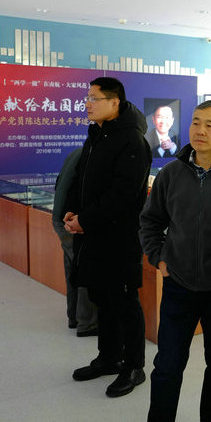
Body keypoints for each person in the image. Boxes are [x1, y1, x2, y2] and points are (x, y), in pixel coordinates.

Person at [140, 100, 211, 421]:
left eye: (209, 125)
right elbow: (150, 221)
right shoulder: (171, 174)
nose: (200, 130)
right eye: (195, 122)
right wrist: (159, 258)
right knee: (167, 365)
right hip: (178, 285)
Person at [64, 77, 151, 398]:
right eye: (87, 97)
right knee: (101, 297)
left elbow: (123, 194)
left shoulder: (132, 140)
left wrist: (85, 220)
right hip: (92, 235)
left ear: (114, 102)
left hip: (119, 238)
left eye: (94, 98)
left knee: (124, 302)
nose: (87, 103)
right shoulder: (96, 134)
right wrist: (72, 210)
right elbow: (80, 178)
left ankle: (134, 366)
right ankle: (109, 357)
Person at [52, 147, 98, 337]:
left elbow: (59, 185)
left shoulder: (77, 153)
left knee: (72, 268)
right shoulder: (93, 156)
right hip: (73, 222)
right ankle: (87, 323)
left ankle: (74, 317)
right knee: (86, 268)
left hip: (62, 219)